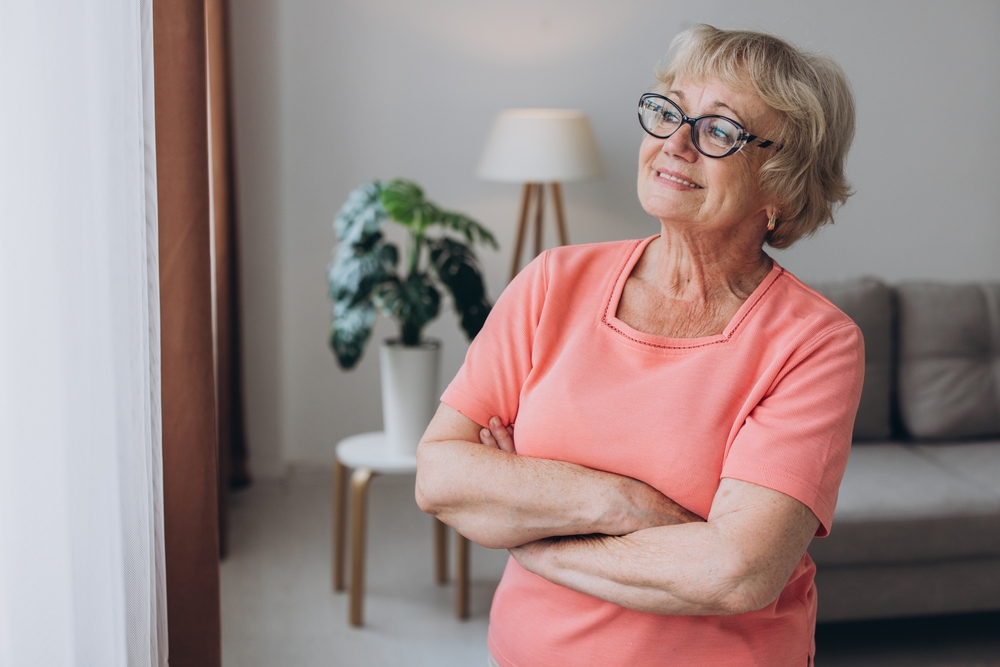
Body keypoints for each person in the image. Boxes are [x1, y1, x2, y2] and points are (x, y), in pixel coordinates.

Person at [415, 24, 863, 667]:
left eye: (718, 130)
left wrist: (535, 533)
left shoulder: (815, 343)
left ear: (782, 183)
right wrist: (619, 503)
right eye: (669, 112)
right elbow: (441, 475)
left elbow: (734, 572)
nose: (675, 144)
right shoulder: (552, 283)